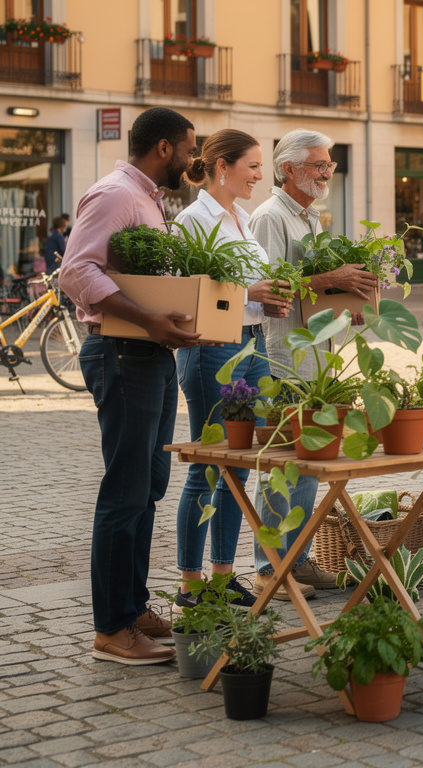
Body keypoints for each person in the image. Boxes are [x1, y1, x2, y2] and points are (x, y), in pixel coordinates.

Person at [60, 107, 200, 665]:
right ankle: (113, 629)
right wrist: (148, 321)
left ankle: (133, 605)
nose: (193, 160)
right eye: (190, 149)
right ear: (164, 147)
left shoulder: (148, 199)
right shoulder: (116, 194)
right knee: (125, 491)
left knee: (149, 486)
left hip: (149, 353)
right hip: (123, 352)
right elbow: (77, 271)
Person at [172, 129, 291, 612]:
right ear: (222, 165)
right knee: (207, 463)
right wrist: (251, 296)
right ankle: (189, 583)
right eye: (254, 166)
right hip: (211, 348)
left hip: (252, 344)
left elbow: (251, 291)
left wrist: (269, 303)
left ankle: (223, 575)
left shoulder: (242, 219)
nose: (261, 176)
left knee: (239, 466)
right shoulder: (192, 220)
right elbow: (188, 298)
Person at [250, 129, 369, 600]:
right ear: (288, 170)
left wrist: (344, 297)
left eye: (330, 165)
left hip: (315, 358)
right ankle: (269, 566)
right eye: (319, 165)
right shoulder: (269, 217)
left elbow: (312, 289)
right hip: (284, 358)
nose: (327, 172)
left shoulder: (311, 219)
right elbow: (271, 288)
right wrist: (330, 277)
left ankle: (295, 560)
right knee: (282, 468)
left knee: (305, 467)